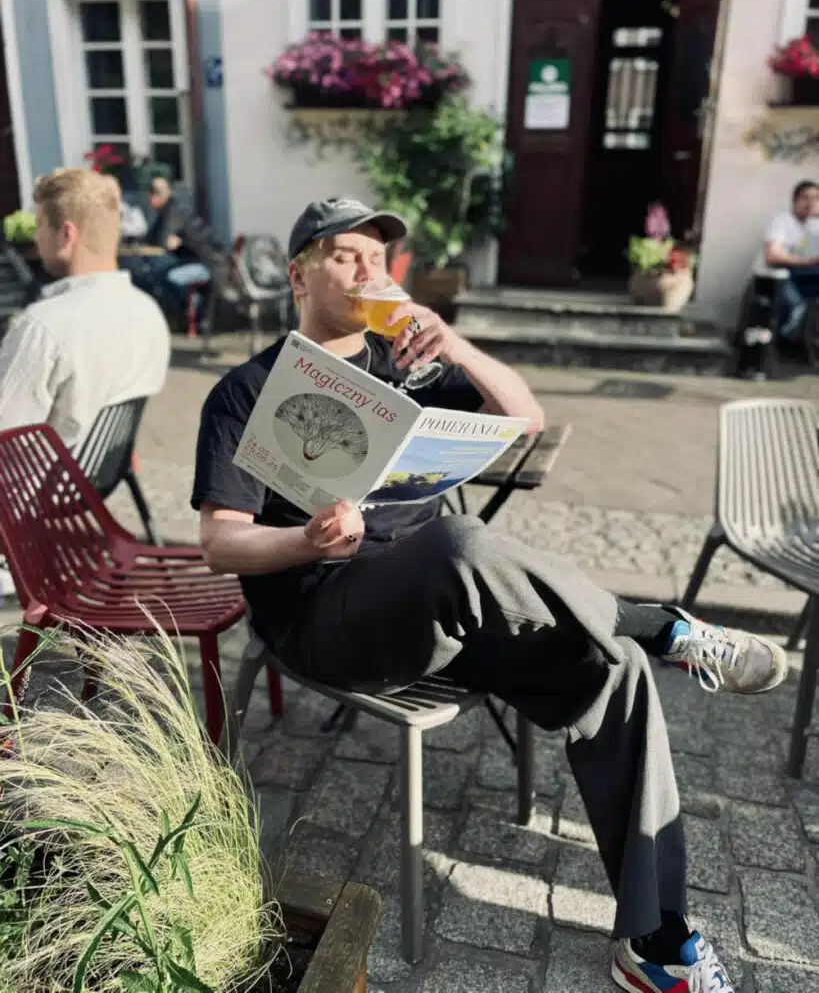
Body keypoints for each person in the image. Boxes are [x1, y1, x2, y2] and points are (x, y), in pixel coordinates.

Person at [192, 196, 788, 993]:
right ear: (299, 275)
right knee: (459, 542)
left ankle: (653, 937)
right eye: (344, 254)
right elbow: (219, 542)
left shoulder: (406, 365)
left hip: (446, 607)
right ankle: (654, 623)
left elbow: (525, 416)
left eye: (378, 256)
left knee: (611, 669)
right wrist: (306, 539)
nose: (368, 269)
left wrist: (455, 344)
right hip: (324, 618)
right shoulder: (245, 391)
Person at [0, 168, 170, 449]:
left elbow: (6, 437)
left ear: (66, 235)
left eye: (39, 225)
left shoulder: (42, 327)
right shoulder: (148, 312)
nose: (36, 237)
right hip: (92, 472)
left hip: (42, 476)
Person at [140, 175, 211, 321]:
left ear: (160, 195)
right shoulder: (164, 212)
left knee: (165, 277)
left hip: (201, 263)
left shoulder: (173, 211)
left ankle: (189, 314)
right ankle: (178, 315)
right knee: (153, 272)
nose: (149, 198)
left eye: (153, 193)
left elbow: (162, 240)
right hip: (185, 261)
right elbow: (152, 238)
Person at [763, 178, 819, 339]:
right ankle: (784, 337)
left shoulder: (814, 224)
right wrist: (809, 262)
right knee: (794, 305)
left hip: (805, 275)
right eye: (805, 198)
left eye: (816, 198)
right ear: (795, 200)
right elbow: (772, 256)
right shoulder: (782, 221)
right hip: (779, 274)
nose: (811, 203)